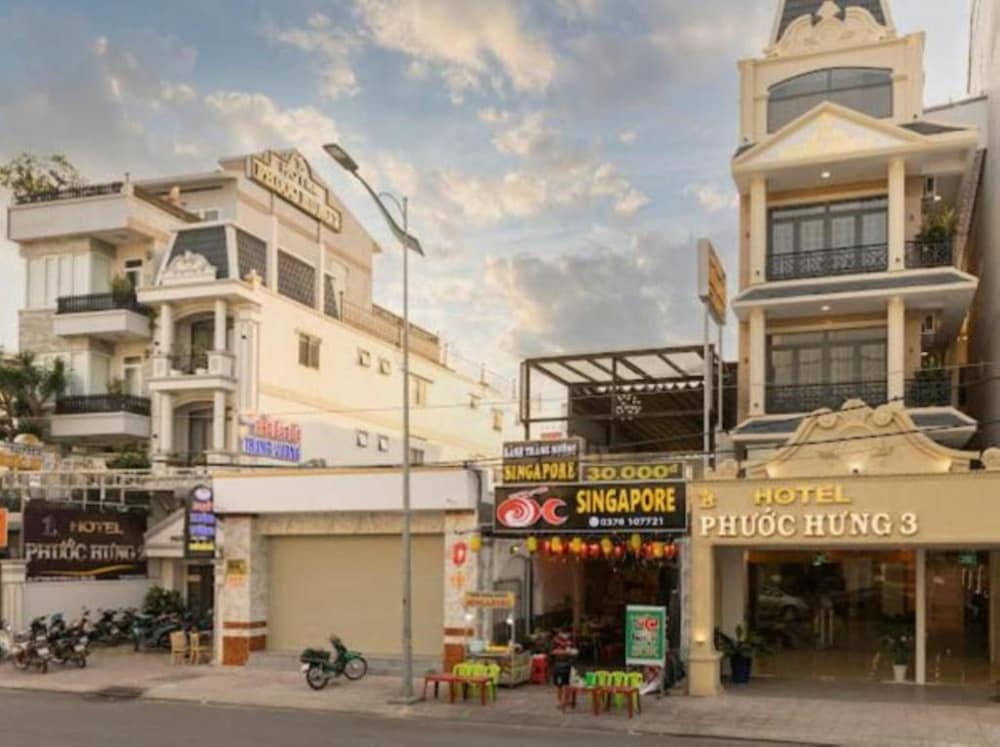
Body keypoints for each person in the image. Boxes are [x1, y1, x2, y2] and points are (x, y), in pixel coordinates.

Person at [550, 630, 578, 705]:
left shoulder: (570, 641)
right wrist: (566, 652)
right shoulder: (555, 641)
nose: (566, 636)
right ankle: (559, 701)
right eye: (564, 634)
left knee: (568, 684)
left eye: (567, 634)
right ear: (560, 633)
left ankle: (567, 700)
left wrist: (574, 652)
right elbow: (552, 652)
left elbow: (575, 651)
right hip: (558, 665)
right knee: (559, 685)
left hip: (569, 664)